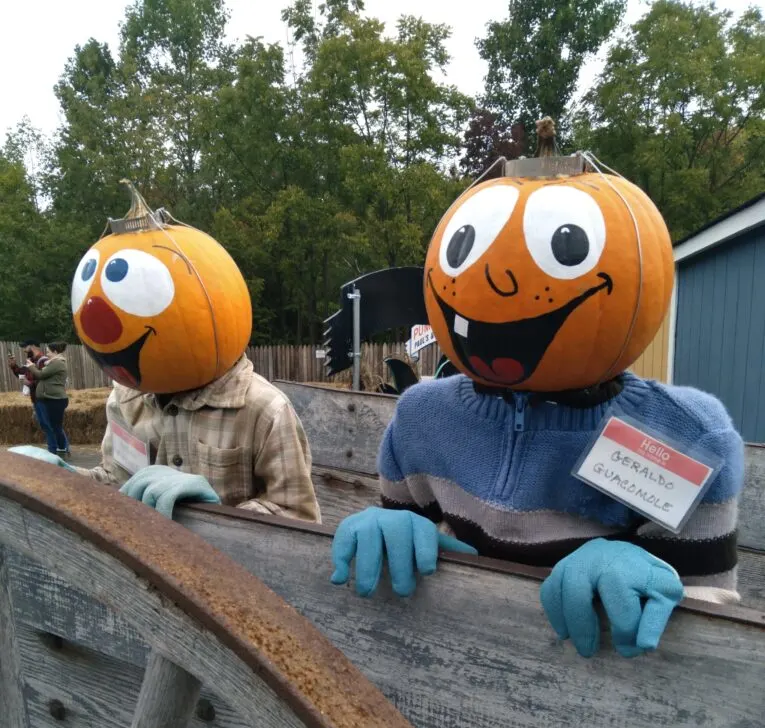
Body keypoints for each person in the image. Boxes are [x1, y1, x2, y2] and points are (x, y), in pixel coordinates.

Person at [329, 125, 744, 659]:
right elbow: (409, 533)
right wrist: (395, 523)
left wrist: (660, 573)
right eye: (466, 249)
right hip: (449, 654)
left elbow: (711, 621)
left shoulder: (687, 435)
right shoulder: (420, 418)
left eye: (567, 246)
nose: (498, 277)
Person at [10, 182, 319, 523]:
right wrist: (63, 480)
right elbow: (117, 481)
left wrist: (212, 516)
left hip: (229, 572)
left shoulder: (264, 410)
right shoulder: (125, 400)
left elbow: (298, 515)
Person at [25, 343, 70, 456]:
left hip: (55, 399)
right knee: (51, 425)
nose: (47, 353)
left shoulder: (58, 363)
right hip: (48, 398)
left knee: (55, 426)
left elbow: (41, 375)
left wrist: (31, 366)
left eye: (49, 351)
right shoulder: (52, 363)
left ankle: (59, 448)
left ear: (55, 352)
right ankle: (58, 448)